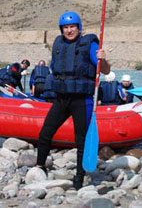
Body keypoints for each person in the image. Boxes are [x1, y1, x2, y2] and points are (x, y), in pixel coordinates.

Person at [35, 11, 111, 190]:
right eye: (66, 27)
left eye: (72, 27)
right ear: (62, 29)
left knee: (81, 140)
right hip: (62, 98)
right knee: (45, 132)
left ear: (79, 28)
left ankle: (80, 175)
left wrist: (103, 59)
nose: (69, 30)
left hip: (82, 100)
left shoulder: (89, 45)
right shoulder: (58, 44)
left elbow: (105, 71)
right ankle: (39, 167)